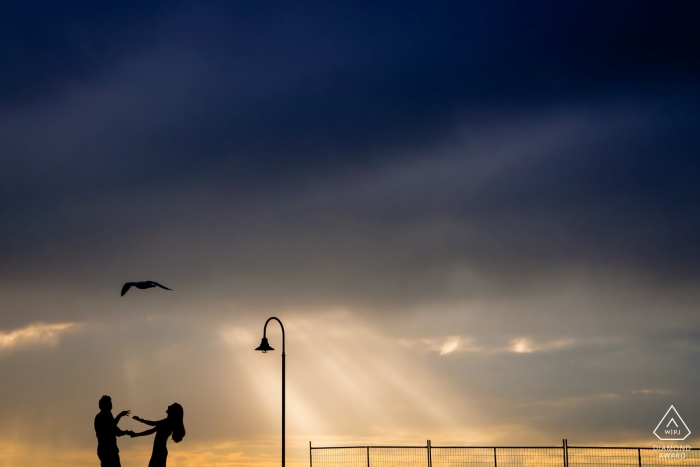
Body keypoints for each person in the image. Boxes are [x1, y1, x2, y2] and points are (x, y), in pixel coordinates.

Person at [130, 403, 186, 467]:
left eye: (171, 406)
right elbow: (151, 430)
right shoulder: (167, 422)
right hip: (159, 450)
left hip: (159, 451)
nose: (168, 406)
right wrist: (136, 434)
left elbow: (153, 424)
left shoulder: (168, 422)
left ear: (173, 411)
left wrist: (140, 421)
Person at [94, 395, 134, 467]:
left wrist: (125, 432)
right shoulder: (101, 417)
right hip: (107, 451)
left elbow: (115, 431)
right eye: (110, 405)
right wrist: (120, 415)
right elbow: (112, 427)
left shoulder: (106, 416)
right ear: (105, 406)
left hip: (109, 450)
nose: (111, 407)